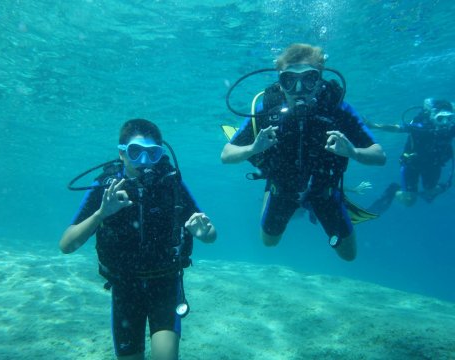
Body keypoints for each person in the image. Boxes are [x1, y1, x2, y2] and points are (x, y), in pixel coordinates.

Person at [59, 119, 216, 360]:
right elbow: (67, 245)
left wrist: (206, 234)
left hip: (165, 284)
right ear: (121, 154)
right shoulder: (105, 188)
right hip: (125, 287)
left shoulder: (170, 184)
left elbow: (209, 233)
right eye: (135, 152)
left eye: (152, 154)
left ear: (160, 154)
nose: (144, 162)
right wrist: (101, 214)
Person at [221, 43, 386, 261]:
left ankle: (306, 206)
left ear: (319, 80)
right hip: (282, 188)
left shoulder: (338, 110)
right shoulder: (266, 110)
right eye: (290, 80)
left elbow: (379, 156)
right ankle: (272, 192)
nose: (299, 89)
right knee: (269, 242)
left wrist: (353, 151)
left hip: (324, 191)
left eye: (308, 79)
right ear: (280, 83)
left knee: (349, 255)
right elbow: (226, 154)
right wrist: (253, 148)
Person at [366, 98, 455, 213]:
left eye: (449, 118)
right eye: (440, 118)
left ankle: (433, 190)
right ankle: (394, 190)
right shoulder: (420, 126)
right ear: (433, 117)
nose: (444, 123)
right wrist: (375, 126)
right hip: (412, 164)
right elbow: (398, 128)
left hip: (434, 165)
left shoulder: (451, 129)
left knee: (431, 192)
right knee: (409, 201)